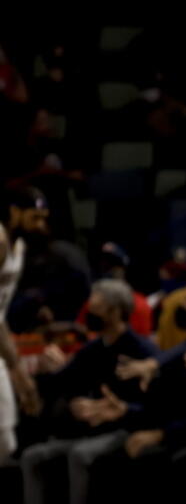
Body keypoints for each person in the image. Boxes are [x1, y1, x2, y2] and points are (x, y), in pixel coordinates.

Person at [18, 279, 156, 504]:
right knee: (33, 456)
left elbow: (156, 408)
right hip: (88, 431)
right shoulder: (94, 349)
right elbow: (63, 382)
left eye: (97, 309)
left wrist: (116, 412)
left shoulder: (142, 350)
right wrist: (49, 377)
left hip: (125, 430)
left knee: (80, 455)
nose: (89, 314)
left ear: (117, 312)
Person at [5, 186, 91, 332]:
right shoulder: (4, 242)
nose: (40, 225)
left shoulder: (32, 250)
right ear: (15, 212)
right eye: (35, 217)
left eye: (43, 218)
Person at [1, 223, 38, 461]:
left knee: (5, 440)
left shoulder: (20, 246)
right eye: (34, 217)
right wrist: (18, 371)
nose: (40, 224)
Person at [75, 243, 153, 336]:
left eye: (113, 264)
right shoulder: (92, 303)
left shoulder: (140, 305)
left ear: (123, 269)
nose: (108, 269)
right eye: (104, 265)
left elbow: (141, 342)